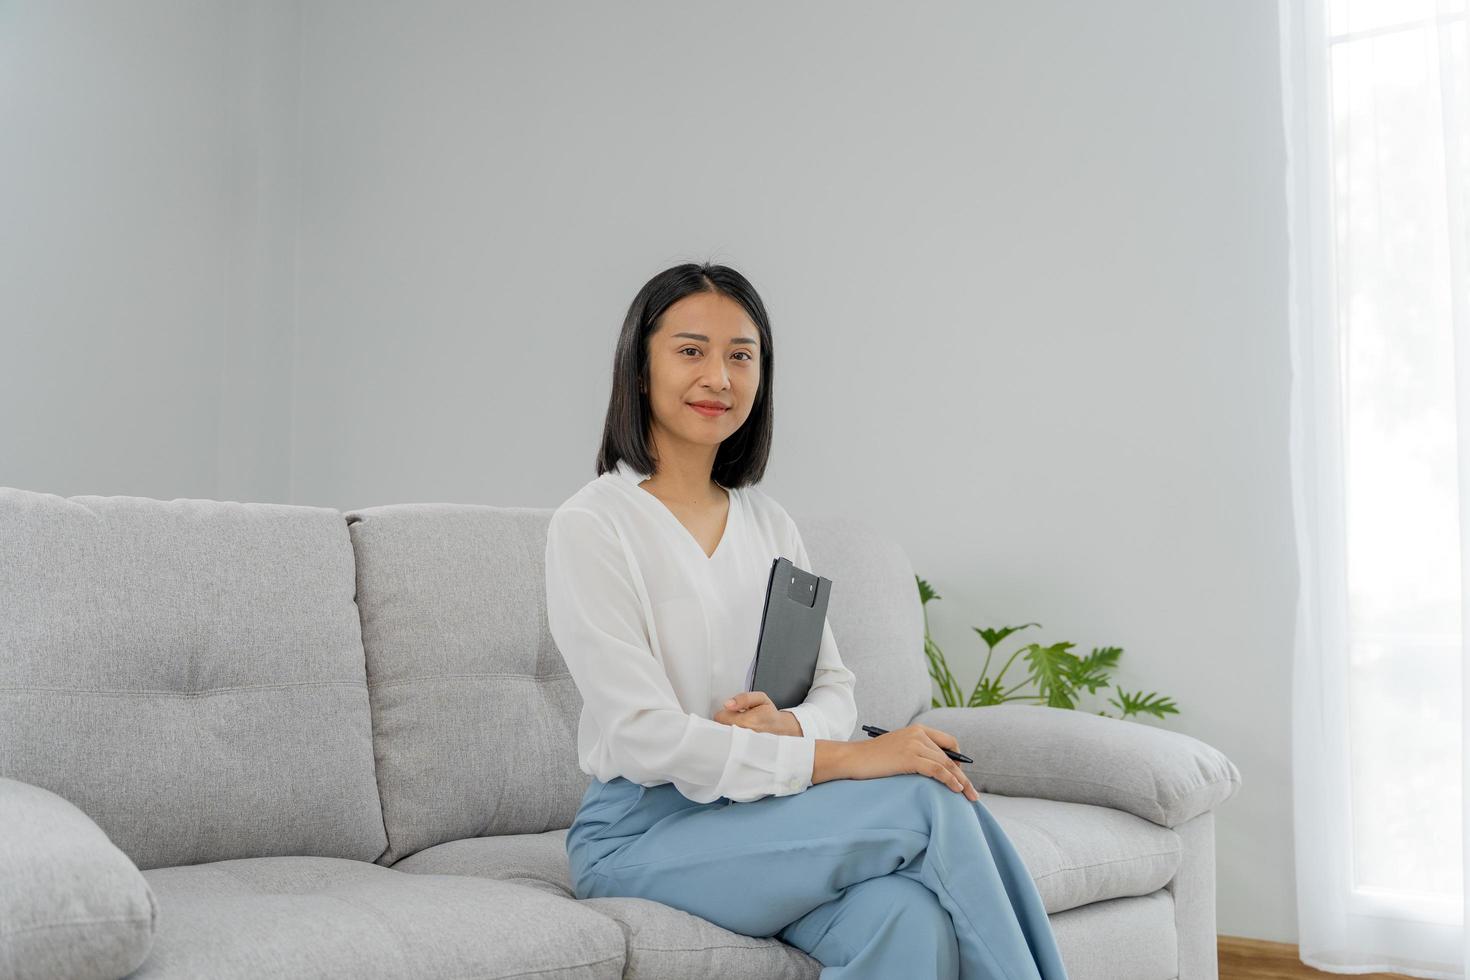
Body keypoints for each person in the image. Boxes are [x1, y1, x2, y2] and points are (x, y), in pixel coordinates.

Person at [544, 261, 1070, 980]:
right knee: (925, 802)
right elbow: (642, 738)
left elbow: (834, 689)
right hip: (642, 836)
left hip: (763, 817)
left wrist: (790, 728)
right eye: (691, 351)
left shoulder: (769, 523)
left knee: (905, 918)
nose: (720, 378)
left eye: (741, 356)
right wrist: (844, 758)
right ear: (640, 369)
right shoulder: (594, 525)